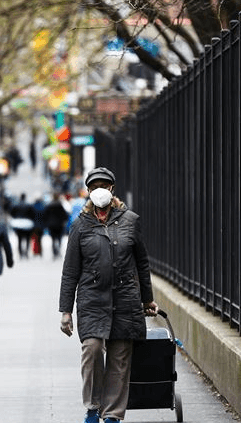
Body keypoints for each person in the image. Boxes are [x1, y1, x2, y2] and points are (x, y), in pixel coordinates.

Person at [58, 167, 159, 423]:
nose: (99, 189)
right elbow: (70, 271)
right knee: (91, 350)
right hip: (92, 299)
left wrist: (147, 300)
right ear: (88, 191)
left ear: (112, 189)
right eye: (94, 186)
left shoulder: (130, 220)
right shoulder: (80, 225)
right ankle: (92, 407)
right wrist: (65, 310)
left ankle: (112, 414)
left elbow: (142, 264)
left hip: (125, 299)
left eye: (104, 184)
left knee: (119, 359)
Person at [44, 192, 70, 259]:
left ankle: (54, 252)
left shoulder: (49, 205)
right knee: (59, 238)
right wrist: (64, 221)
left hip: (51, 224)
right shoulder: (60, 205)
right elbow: (64, 214)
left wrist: (47, 222)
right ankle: (58, 251)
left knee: (53, 239)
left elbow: (45, 215)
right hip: (59, 224)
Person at [9, 193, 35, 259]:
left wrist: (16, 218)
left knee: (19, 240)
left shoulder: (16, 205)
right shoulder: (29, 205)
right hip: (27, 224)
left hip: (18, 224)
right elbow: (33, 214)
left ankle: (20, 253)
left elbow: (12, 213)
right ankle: (26, 253)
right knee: (27, 239)